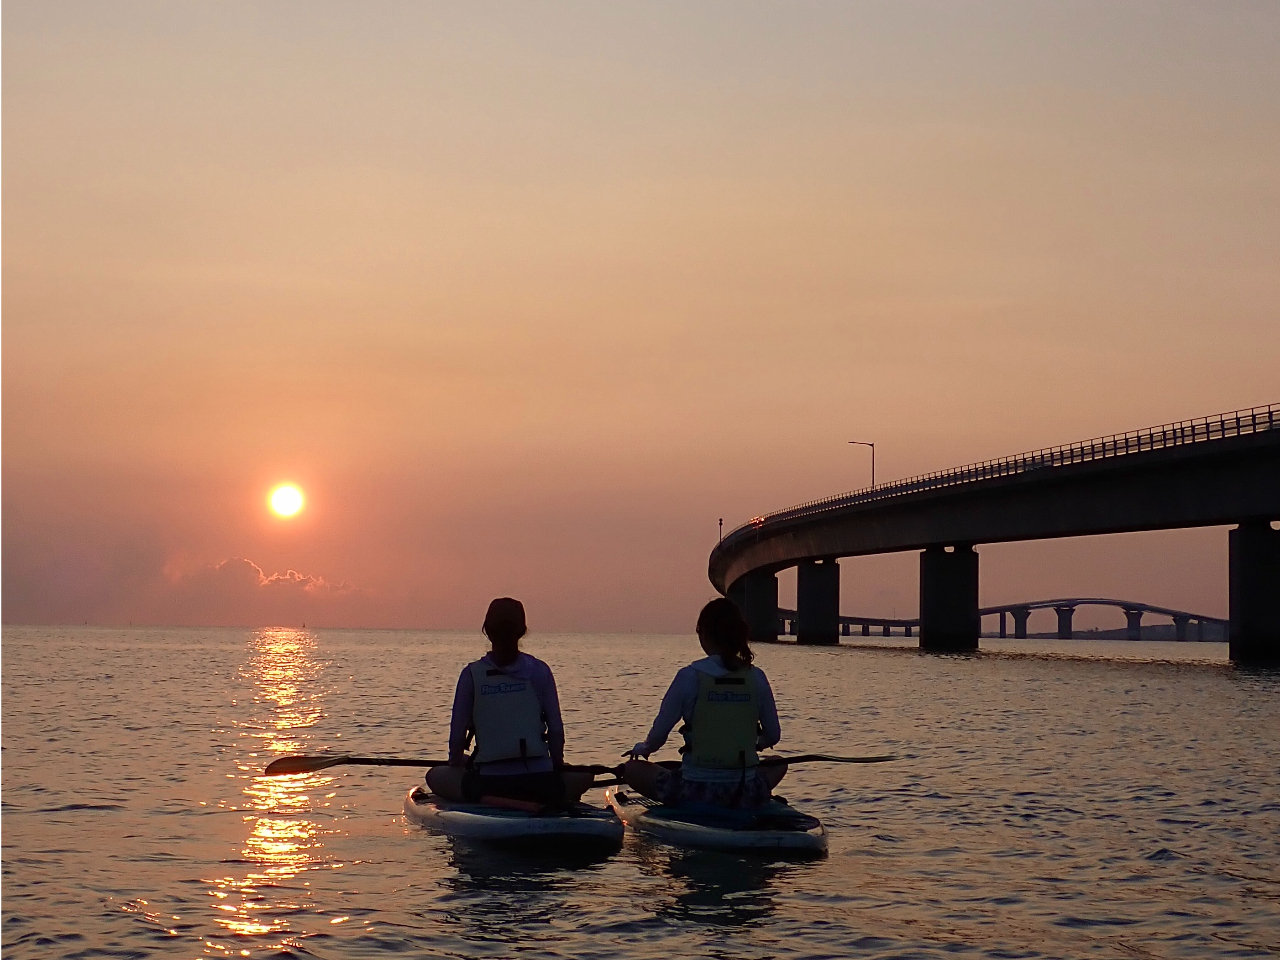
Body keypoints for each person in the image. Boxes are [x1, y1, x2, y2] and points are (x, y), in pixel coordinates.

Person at [426, 598, 594, 807]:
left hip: (489, 783)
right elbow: (556, 730)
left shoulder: (471, 675)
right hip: (541, 783)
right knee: (586, 775)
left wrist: (457, 761)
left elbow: (457, 737)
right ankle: (539, 801)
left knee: (434, 776)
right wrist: (557, 764)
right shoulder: (540, 671)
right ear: (522, 630)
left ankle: (491, 800)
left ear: (487, 630)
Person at [623, 597, 786, 808]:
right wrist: (749, 743)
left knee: (631, 769)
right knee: (778, 763)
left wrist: (641, 749)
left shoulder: (688, 676)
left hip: (694, 791)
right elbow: (773, 736)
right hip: (744, 791)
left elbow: (656, 739)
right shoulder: (757, 677)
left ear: (705, 634)